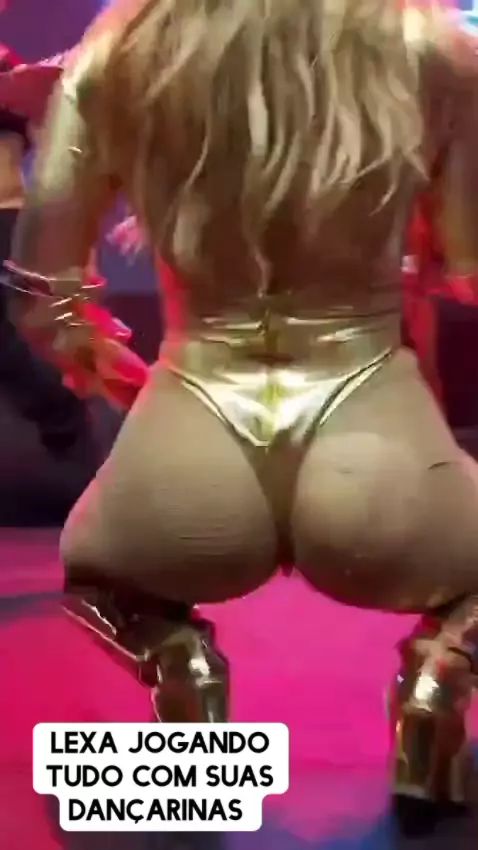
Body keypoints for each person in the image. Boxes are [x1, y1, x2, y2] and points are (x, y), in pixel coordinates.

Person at [8, 0, 478, 826]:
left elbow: (41, 293)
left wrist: (114, 372)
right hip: (377, 437)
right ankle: (438, 680)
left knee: (98, 572)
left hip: (191, 427)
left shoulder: (120, 54)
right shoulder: (433, 48)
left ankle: (180, 671)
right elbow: (470, 268)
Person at [0, 45, 97, 462]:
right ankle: (57, 411)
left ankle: (59, 410)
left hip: (7, 215)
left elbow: (50, 145)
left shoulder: (15, 75)